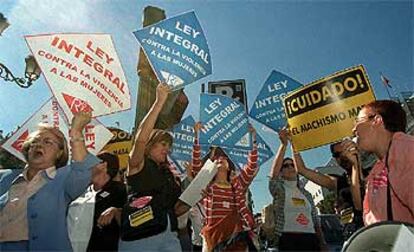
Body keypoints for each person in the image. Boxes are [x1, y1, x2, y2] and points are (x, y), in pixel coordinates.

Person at [0, 112, 100, 251]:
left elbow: (83, 168)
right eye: (34, 142)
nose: (38, 145)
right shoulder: (5, 177)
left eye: (47, 142)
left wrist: (76, 131)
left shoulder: (64, 179)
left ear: (59, 152)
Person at [119, 82, 182, 251]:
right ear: (150, 145)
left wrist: (194, 195)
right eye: (162, 144)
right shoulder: (138, 164)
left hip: (170, 237)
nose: (167, 149)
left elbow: (177, 208)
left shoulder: (168, 175)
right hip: (141, 236)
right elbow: (140, 138)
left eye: (168, 146)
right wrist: (159, 102)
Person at [192, 122, 258, 252]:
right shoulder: (206, 184)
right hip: (213, 238)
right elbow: (195, 165)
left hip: (235, 237)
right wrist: (197, 136)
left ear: (229, 165)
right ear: (212, 164)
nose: (220, 159)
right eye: (216, 158)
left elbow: (251, 166)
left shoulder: (237, 183)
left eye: (224, 158)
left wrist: (253, 139)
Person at [352, 100, 414, 225]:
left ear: (377, 120)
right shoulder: (379, 168)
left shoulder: (407, 150)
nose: (354, 129)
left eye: (358, 121)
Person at [268, 128, 326, 251]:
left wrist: (322, 242)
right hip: (288, 240)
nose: (290, 167)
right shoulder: (279, 190)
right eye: (286, 165)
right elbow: (273, 177)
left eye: (292, 164)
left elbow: (315, 220)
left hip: (311, 240)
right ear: (281, 172)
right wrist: (284, 145)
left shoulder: (307, 194)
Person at [294, 139, 364, 240]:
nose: (342, 157)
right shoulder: (338, 181)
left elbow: (359, 203)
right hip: (351, 235)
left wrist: (356, 165)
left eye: (345, 151)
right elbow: (301, 170)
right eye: (337, 155)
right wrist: (293, 142)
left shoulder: (372, 173)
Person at [67, 151, 127, 252]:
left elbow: (131, 220)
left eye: (90, 162)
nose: (86, 166)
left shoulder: (121, 191)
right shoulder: (78, 191)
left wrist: (116, 212)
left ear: (103, 165)